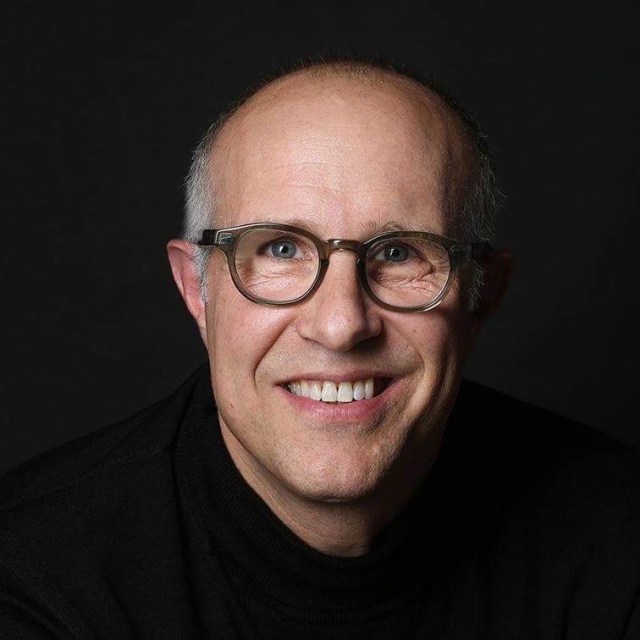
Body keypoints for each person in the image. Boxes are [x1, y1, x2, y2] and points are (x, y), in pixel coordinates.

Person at [1, 58, 639, 639]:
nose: (340, 325)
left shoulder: (618, 534)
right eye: (280, 248)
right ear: (197, 288)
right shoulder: (32, 576)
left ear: (482, 296)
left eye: (399, 253)